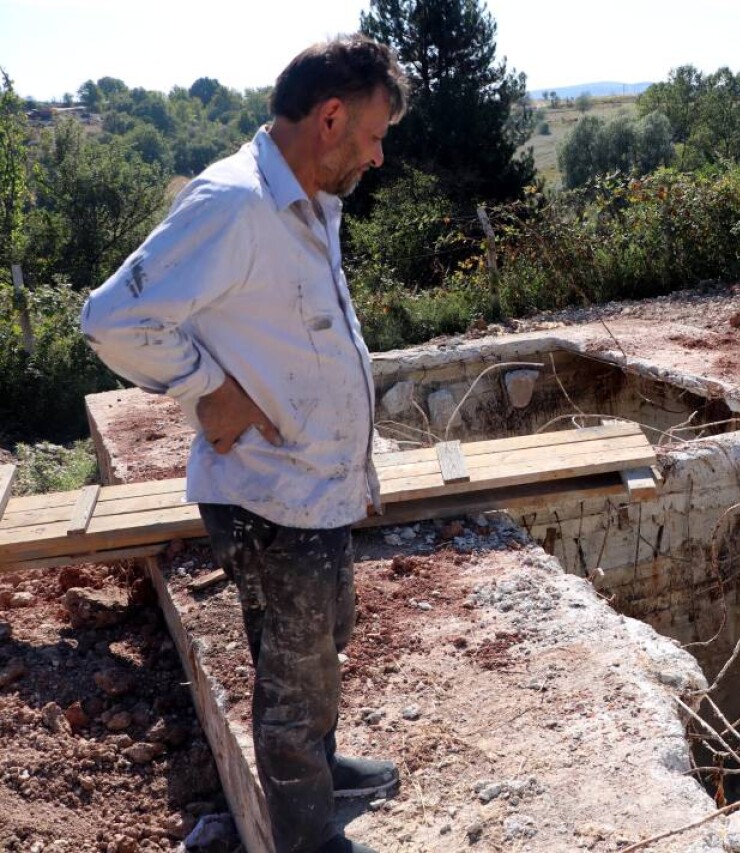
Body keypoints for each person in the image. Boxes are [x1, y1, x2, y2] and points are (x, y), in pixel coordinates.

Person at [80, 35, 411, 853]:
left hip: (311, 486)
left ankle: (323, 770)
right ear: (330, 117)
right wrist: (209, 389)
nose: (377, 156)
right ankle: (305, 836)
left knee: (318, 644)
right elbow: (111, 319)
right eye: (372, 134)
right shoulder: (233, 204)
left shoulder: (304, 200)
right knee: (293, 689)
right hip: (270, 494)